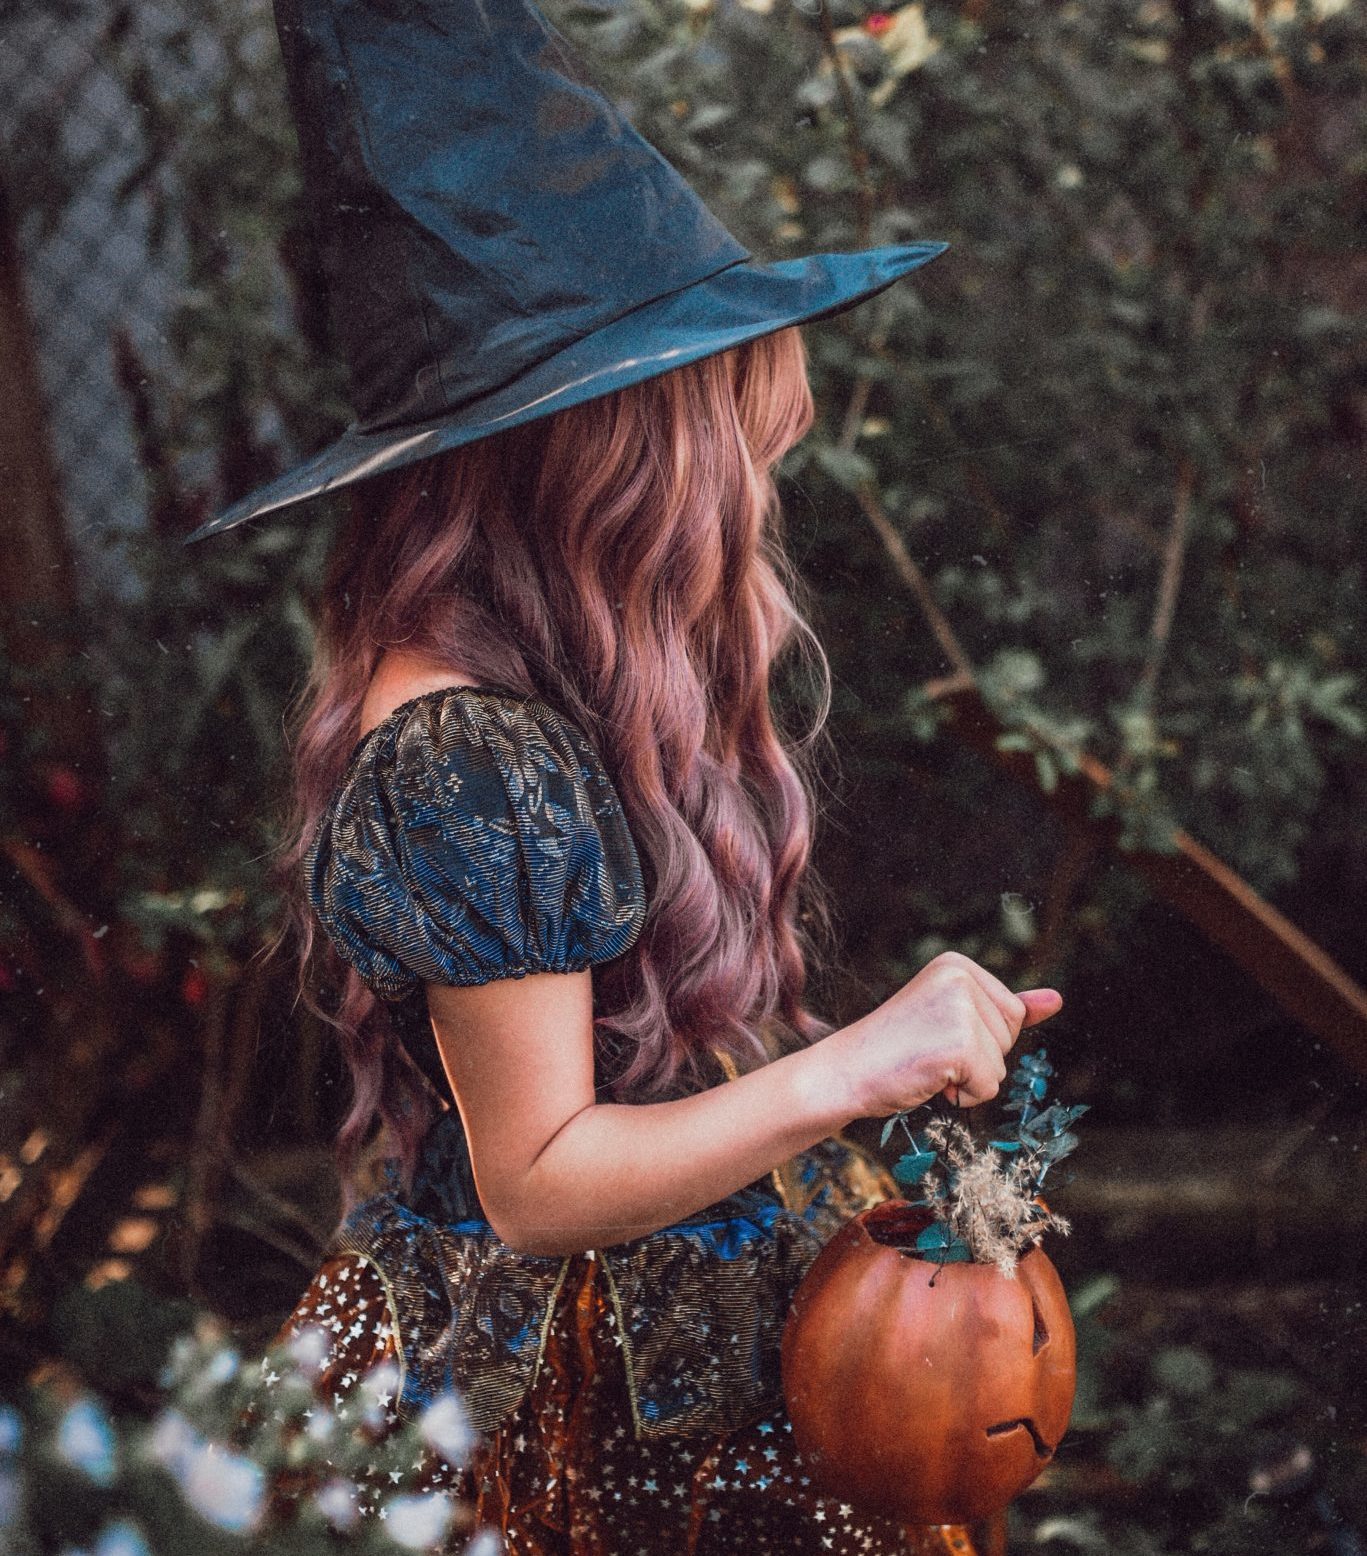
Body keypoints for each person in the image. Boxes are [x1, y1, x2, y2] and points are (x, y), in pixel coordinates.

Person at [189, 0, 1063, 1547]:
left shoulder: (525, 687)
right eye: (735, 437)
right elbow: (537, 1177)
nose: (753, 492)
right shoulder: (464, 757)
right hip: (572, 1416)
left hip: (675, 1339)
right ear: (620, 450)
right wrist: (859, 1063)